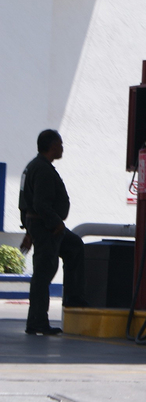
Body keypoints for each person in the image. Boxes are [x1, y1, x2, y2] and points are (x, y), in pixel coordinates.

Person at [19, 130, 87, 335]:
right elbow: (39, 204)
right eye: (60, 144)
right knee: (43, 272)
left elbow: (24, 203)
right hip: (47, 227)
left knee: (74, 246)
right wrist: (56, 222)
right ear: (52, 146)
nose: (62, 147)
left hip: (39, 226)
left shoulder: (34, 166)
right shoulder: (42, 170)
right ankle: (37, 321)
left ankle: (72, 297)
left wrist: (28, 231)